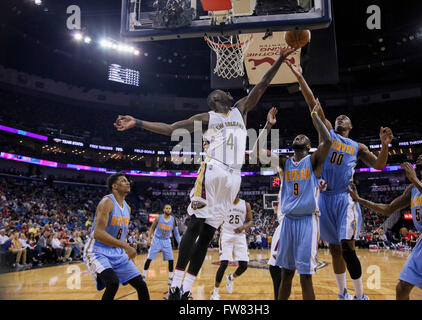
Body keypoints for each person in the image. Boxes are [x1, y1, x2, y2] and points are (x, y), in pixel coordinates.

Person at [114, 48, 296, 300]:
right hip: (213, 170)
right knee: (195, 226)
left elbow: (262, 85)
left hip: (234, 177)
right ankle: (175, 285)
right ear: (216, 99)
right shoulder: (208, 117)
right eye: (225, 92)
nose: (231, 93)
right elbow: (170, 129)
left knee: (209, 232)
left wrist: (279, 60)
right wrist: (138, 122)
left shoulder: (241, 110)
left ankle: (185, 289)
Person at [286, 62, 394, 300]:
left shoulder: (358, 146)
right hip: (324, 199)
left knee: (347, 248)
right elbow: (311, 102)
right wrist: (300, 78)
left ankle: (360, 295)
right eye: (339, 117)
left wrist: (385, 147)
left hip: (344, 198)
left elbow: (379, 165)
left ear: (350, 126)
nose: (341, 117)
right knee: (334, 249)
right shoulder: (327, 133)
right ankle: (343, 292)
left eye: (345, 117)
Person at [252, 103, 332, 300]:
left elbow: (328, 141)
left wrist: (316, 118)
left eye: (303, 138)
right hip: (287, 221)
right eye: (296, 137)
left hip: (306, 221)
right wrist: (268, 126)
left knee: (305, 276)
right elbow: (256, 153)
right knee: (286, 274)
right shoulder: (284, 163)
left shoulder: (313, 162)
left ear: (308, 146)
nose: (299, 137)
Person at [347, 150, 422, 300]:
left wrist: (415, 180)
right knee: (401, 288)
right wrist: (359, 200)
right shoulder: (413, 189)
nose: (421, 154)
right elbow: (388, 209)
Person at [83, 172, 149, 300]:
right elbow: (97, 233)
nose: (128, 182)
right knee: (112, 283)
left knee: (141, 284)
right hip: (97, 251)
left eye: (127, 180)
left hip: (117, 252)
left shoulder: (128, 208)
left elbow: (121, 235)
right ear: (115, 186)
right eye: (123, 181)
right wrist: (125, 246)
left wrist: (126, 251)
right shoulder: (107, 202)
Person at [210, 196, 253, 300]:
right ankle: (215, 292)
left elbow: (250, 221)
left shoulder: (245, 204)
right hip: (226, 234)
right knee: (224, 263)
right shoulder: (224, 203)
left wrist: (243, 227)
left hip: (240, 235)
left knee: (244, 266)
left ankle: (230, 277)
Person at [142, 204, 181, 286]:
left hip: (166, 241)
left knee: (171, 259)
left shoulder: (173, 220)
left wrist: (179, 242)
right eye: (167, 208)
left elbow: (176, 233)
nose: (168, 210)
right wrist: (149, 238)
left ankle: (170, 278)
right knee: (149, 258)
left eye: (170, 208)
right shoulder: (158, 218)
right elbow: (152, 228)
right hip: (157, 240)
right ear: (164, 209)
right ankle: (144, 276)